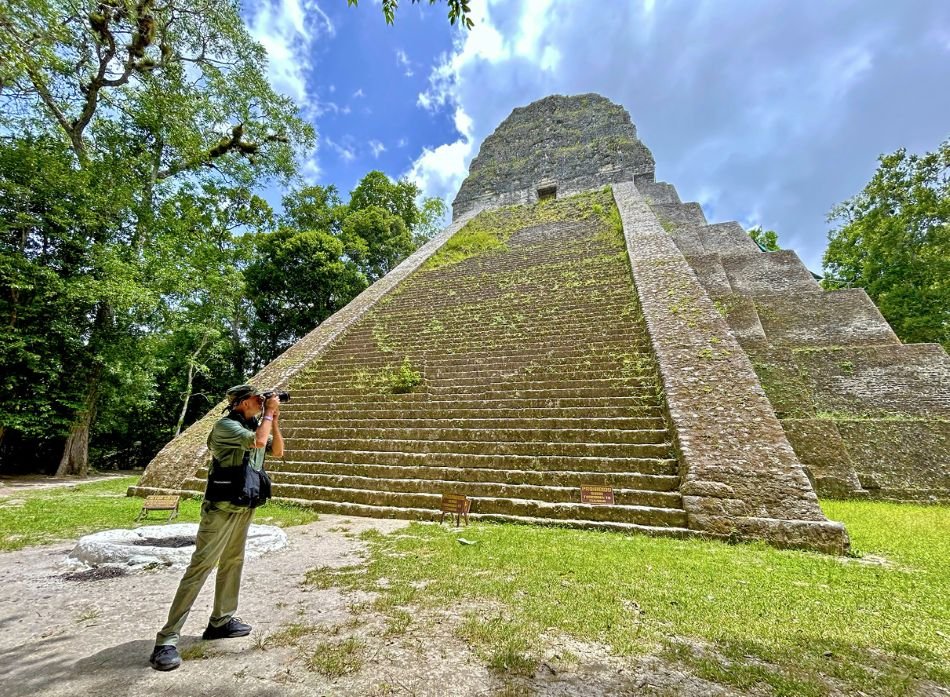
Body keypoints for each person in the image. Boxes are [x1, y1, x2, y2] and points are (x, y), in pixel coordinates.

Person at [148, 384, 284, 672]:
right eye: (256, 399)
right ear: (241, 403)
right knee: (201, 566)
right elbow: (259, 443)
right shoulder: (226, 426)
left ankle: (221, 621)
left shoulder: (255, 425)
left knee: (233, 562)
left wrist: (275, 419)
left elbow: (277, 450)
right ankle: (167, 639)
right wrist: (269, 415)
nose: (261, 402)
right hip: (220, 508)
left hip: (243, 505)